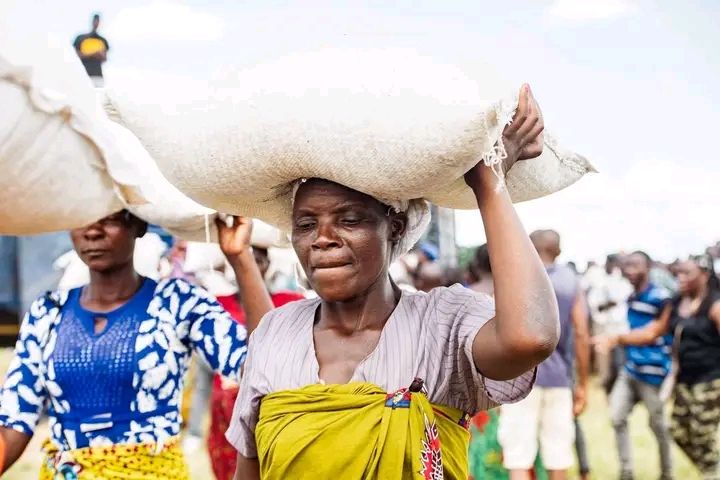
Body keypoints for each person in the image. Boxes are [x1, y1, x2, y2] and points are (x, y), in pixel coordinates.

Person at [226, 84, 559, 479]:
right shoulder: (276, 332)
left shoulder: (441, 324)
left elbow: (530, 338)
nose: (323, 238)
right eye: (306, 225)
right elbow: (249, 466)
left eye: (349, 220)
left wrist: (489, 180)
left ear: (394, 227)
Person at [0, 211, 270, 478]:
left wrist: (240, 256)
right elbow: (14, 421)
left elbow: (258, 367)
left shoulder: (175, 302)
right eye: (80, 219)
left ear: (138, 224)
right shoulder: (49, 312)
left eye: (108, 220)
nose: (92, 232)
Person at [597, 255, 720, 479]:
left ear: (704, 275)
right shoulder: (675, 303)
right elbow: (652, 332)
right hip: (684, 380)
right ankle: (710, 470)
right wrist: (617, 339)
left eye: (687, 274)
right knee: (679, 432)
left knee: (703, 435)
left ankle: (710, 472)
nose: (680, 278)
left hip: (710, 380)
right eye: (679, 273)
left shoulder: (714, 305)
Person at [207, 239, 304, 480]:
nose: (253, 266)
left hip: (273, 400)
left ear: (268, 264)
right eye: (246, 258)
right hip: (227, 403)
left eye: (258, 260)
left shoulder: (290, 303)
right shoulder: (219, 304)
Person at [498, 230, 590, 480]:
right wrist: (583, 382)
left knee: (518, 453)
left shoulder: (516, 276)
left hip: (519, 379)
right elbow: (581, 332)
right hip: (559, 378)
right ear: (558, 251)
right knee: (557, 452)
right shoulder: (571, 280)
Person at [595, 251, 674, 480]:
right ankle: (626, 473)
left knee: (659, 427)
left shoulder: (661, 297)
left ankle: (667, 474)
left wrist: (616, 339)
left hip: (653, 372)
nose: (630, 270)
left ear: (648, 267)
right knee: (617, 416)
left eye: (636, 265)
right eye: (627, 265)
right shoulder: (632, 297)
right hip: (631, 370)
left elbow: (652, 333)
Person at [584, 254, 632, 393]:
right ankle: (605, 380)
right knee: (602, 356)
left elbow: (623, 300)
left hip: (620, 327)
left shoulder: (624, 281)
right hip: (602, 324)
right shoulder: (599, 280)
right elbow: (595, 304)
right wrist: (608, 304)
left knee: (619, 357)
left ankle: (619, 382)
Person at [73, 13, 110, 86]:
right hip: (82, 74)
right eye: (95, 20)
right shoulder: (81, 38)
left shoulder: (102, 41)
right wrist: (94, 54)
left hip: (97, 76)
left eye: (98, 21)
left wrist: (91, 54)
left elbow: (104, 58)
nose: (96, 23)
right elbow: (77, 56)